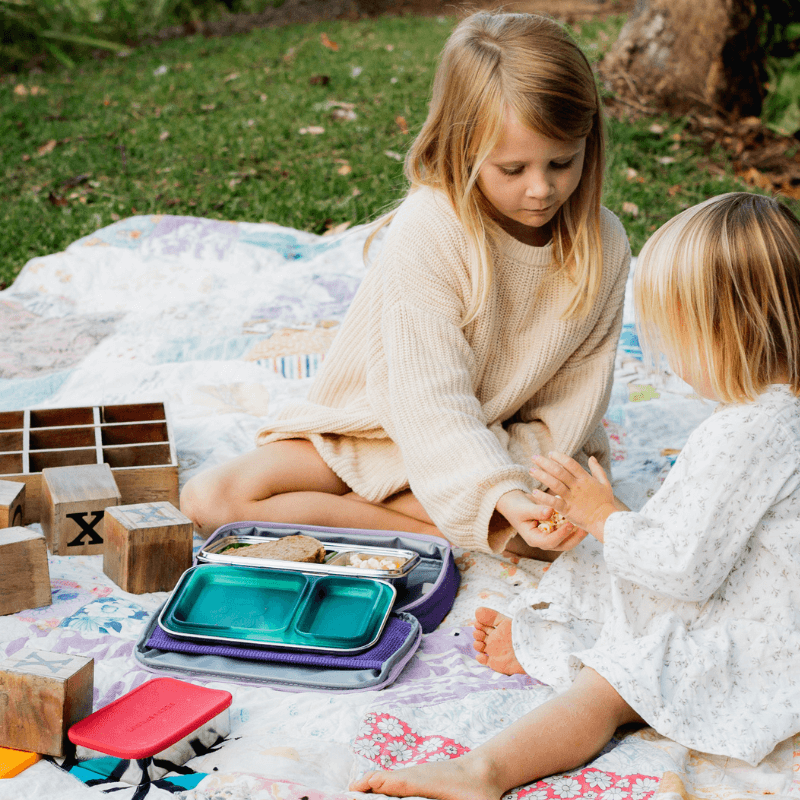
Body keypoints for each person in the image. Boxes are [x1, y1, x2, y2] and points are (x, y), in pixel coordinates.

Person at [349, 191, 800, 799]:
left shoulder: (745, 430)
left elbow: (684, 571)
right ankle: (549, 643)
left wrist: (604, 514)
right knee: (603, 569)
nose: (673, 365)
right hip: (770, 602)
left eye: (679, 339)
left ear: (724, 333)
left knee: (618, 680)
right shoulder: (780, 414)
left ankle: (484, 771)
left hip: (767, 645)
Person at [180, 10, 631, 559]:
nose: (540, 189)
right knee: (211, 499)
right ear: (463, 148)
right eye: (512, 169)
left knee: (556, 530)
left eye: (562, 162)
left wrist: (511, 491)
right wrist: (493, 497)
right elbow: (428, 401)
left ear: (589, 141)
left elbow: (570, 411)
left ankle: (448, 515)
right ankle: (442, 528)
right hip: (388, 427)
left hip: (512, 446)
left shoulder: (603, 243)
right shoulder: (432, 226)